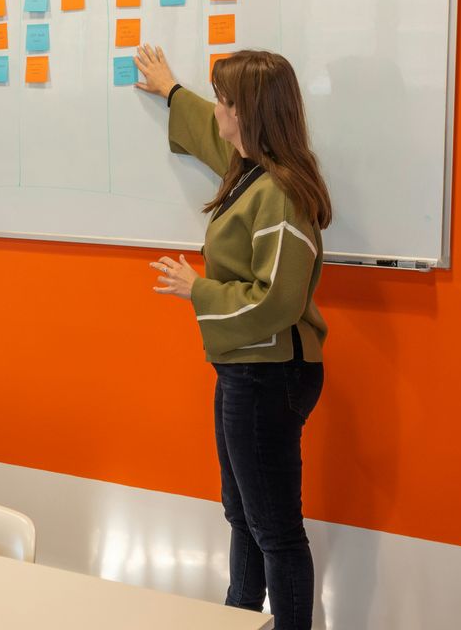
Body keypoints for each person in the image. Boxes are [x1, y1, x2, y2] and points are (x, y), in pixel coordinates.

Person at [134, 45, 330, 630]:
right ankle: (240, 618)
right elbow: (214, 141)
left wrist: (196, 290)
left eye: (223, 101)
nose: (217, 111)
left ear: (247, 112)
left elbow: (278, 300)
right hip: (245, 370)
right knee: (243, 515)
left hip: (270, 374)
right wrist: (172, 91)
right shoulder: (252, 171)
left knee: (274, 528)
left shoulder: (282, 193)